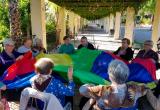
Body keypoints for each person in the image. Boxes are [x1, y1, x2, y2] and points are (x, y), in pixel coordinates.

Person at [79, 60, 147, 110]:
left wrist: (90, 85)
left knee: (83, 102)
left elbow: (82, 90)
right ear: (126, 75)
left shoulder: (103, 89)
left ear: (110, 76)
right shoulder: (134, 88)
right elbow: (145, 90)